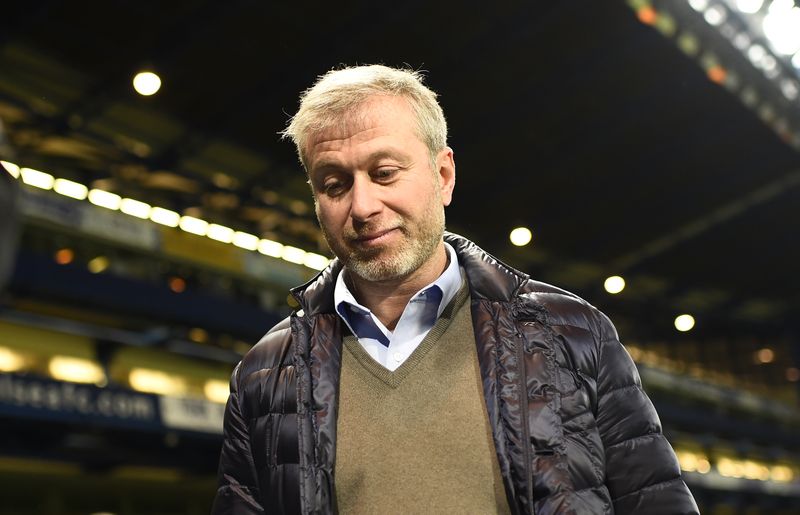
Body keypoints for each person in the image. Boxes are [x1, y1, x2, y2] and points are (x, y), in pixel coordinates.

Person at [212, 65, 698, 514]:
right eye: (334, 184)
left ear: (443, 175)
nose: (362, 206)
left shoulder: (571, 332)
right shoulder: (263, 374)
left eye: (384, 173)